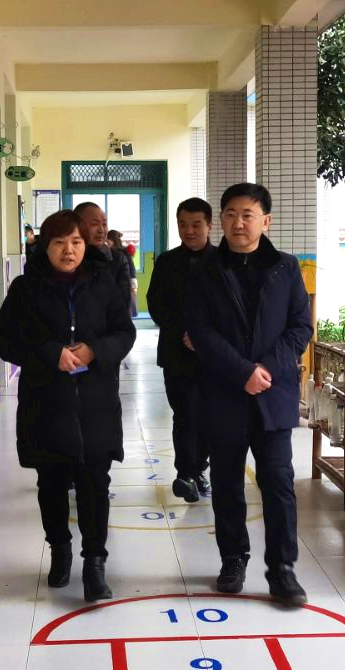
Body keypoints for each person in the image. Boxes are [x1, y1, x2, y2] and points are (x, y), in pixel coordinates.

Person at [0, 209, 136, 602]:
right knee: (52, 483)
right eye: (59, 243)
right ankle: (60, 549)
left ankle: (95, 564)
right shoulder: (26, 288)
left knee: (95, 484)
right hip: (47, 404)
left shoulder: (103, 284)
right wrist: (49, 353)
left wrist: (96, 350)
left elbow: (125, 332)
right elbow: (4, 340)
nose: (69, 250)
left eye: (75, 242)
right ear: (46, 246)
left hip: (96, 404)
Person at [185, 183, 313, 607]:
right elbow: (200, 331)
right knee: (226, 482)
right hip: (223, 392)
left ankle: (283, 569)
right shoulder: (204, 270)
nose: (238, 223)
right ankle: (233, 558)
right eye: (230, 214)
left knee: (278, 483)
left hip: (272, 394)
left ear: (266, 221)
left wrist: (265, 369)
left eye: (247, 215)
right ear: (221, 220)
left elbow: (300, 327)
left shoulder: (286, 268)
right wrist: (242, 372)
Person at [146, 197, 214, 504]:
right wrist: (183, 333)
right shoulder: (166, 262)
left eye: (196, 224)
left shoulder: (222, 261)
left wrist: (204, 337)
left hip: (214, 356)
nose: (189, 231)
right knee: (184, 414)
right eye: (183, 225)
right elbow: (156, 304)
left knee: (208, 415)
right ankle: (185, 474)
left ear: (209, 225)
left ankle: (199, 469)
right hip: (176, 353)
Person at [74, 203, 131, 308]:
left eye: (104, 224)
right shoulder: (68, 258)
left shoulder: (117, 259)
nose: (101, 230)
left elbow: (122, 304)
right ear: (77, 226)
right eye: (94, 224)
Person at [108, 230, 138, 317]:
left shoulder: (123, 253)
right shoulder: (108, 252)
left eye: (108, 239)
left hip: (125, 283)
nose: (106, 241)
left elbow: (131, 267)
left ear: (113, 240)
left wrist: (133, 282)